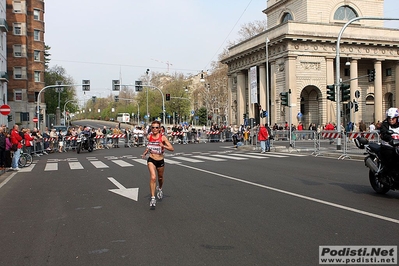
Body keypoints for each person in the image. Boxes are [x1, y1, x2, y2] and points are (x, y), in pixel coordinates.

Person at [141, 121, 174, 207]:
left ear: (159, 129)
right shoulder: (149, 136)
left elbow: (171, 148)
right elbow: (149, 145)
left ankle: (160, 188)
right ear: (151, 129)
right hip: (151, 159)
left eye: (156, 127)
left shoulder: (163, 138)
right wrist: (145, 152)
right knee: (153, 177)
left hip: (160, 160)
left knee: (160, 177)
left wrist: (163, 146)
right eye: (153, 127)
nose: (154, 129)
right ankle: (152, 198)